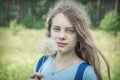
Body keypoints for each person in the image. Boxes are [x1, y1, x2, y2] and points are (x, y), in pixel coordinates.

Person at [28, 0, 110, 80]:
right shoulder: (41, 63)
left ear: (79, 35)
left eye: (70, 30)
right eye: (56, 29)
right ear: (50, 31)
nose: (61, 36)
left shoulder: (86, 73)